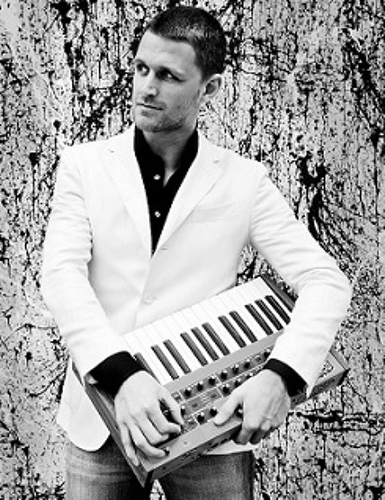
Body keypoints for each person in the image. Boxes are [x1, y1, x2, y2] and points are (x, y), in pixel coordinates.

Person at [41, 6, 352, 499]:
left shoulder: (245, 180)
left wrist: (282, 375)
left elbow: (326, 281)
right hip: (102, 416)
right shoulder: (84, 166)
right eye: (141, 68)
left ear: (210, 90)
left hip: (211, 420)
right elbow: (61, 276)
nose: (146, 88)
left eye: (168, 76)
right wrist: (124, 377)